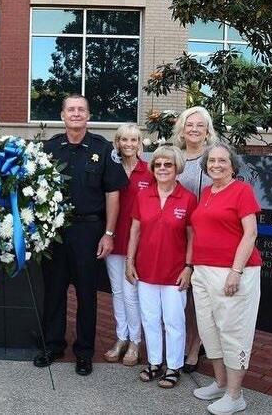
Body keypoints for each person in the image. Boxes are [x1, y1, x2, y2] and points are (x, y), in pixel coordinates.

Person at [34, 94, 128, 376]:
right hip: (55, 231)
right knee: (54, 291)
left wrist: (108, 233)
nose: (76, 114)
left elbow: (113, 194)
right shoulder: (49, 148)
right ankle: (53, 344)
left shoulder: (103, 148)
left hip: (89, 231)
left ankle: (84, 351)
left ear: (88, 115)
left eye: (81, 110)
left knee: (87, 294)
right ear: (62, 115)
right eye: (71, 110)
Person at [190, 142, 261, 415]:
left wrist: (236, 270)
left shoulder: (242, 190)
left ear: (232, 165)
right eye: (212, 160)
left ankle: (235, 395)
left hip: (233, 273)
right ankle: (220, 384)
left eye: (222, 160)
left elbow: (250, 233)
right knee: (209, 330)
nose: (216, 165)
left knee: (233, 333)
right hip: (203, 272)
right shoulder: (207, 192)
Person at [126, 145, 197, 389]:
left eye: (168, 164)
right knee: (150, 319)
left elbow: (192, 236)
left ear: (177, 168)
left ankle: (174, 366)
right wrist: (129, 261)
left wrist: (188, 267)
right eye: (158, 164)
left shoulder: (188, 198)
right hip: (145, 270)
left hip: (174, 272)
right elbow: (135, 231)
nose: (163, 168)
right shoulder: (143, 196)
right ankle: (154, 362)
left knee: (174, 321)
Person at [172, 106, 218, 373]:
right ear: (182, 129)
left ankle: (194, 345)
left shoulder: (213, 159)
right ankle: (188, 338)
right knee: (182, 293)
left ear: (207, 130)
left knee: (199, 296)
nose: (194, 129)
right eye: (189, 124)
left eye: (200, 125)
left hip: (203, 236)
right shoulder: (174, 157)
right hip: (176, 235)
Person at [103, 124, 151, 366]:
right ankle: (121, 337)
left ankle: (135, 341)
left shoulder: (150, 171)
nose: (129, 144)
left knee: (131, 293)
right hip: (113, 237)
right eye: (124, 139)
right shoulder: (110, 168)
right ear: (117, 142)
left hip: (138, 242)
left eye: (133, 140)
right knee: (118, 292)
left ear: (140, 142)